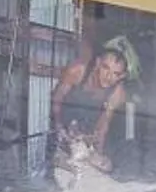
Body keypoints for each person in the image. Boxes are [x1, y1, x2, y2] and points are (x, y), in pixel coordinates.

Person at [48, 30, 138, 172]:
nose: (108, 77)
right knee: (56, 157)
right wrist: (59, 127)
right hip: (61, 122)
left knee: (106, 166)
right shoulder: (77, 71)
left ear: (122, 76)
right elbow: (57, 99)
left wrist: (97, 152)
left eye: (116, 74)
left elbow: (103, 125)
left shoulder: (118, 93)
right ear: (97, 63)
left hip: (85, 129)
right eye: (105, 68)